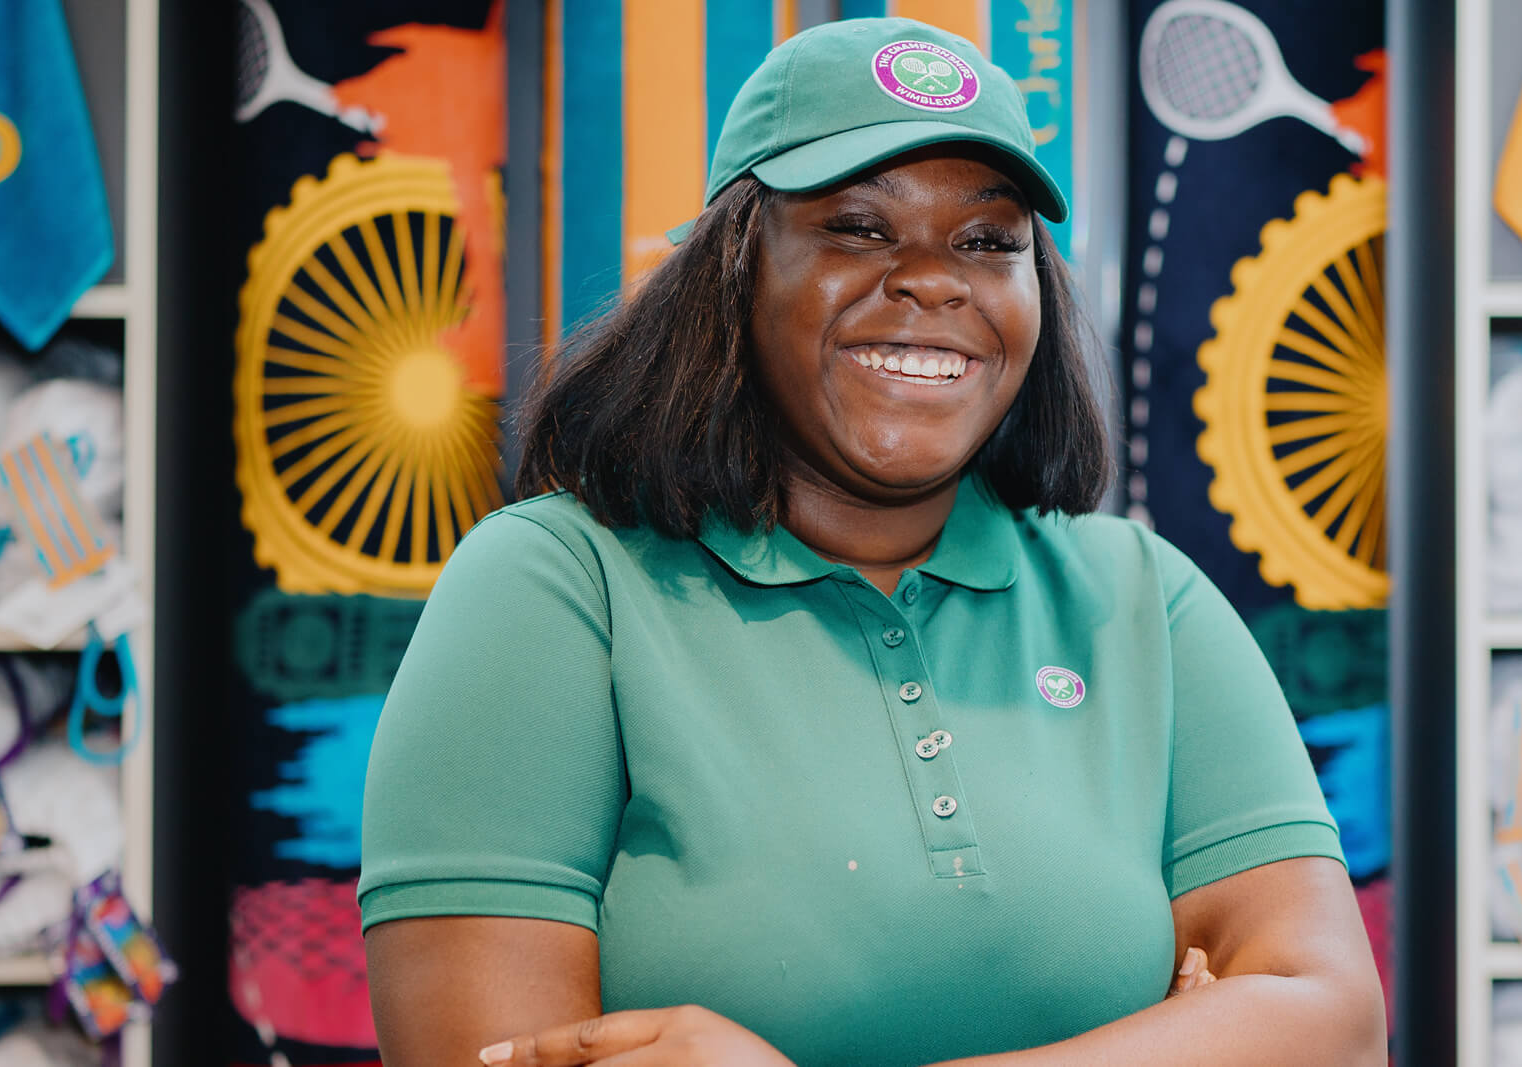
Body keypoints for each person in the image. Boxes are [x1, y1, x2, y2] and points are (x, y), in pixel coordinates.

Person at [358, 17, 1385, 1067]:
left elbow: (1335, 1027)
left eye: (989, 242)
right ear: (734, 270)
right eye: (858, 227)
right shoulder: (557, 588)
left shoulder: (1140, 599)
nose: (934, 280)